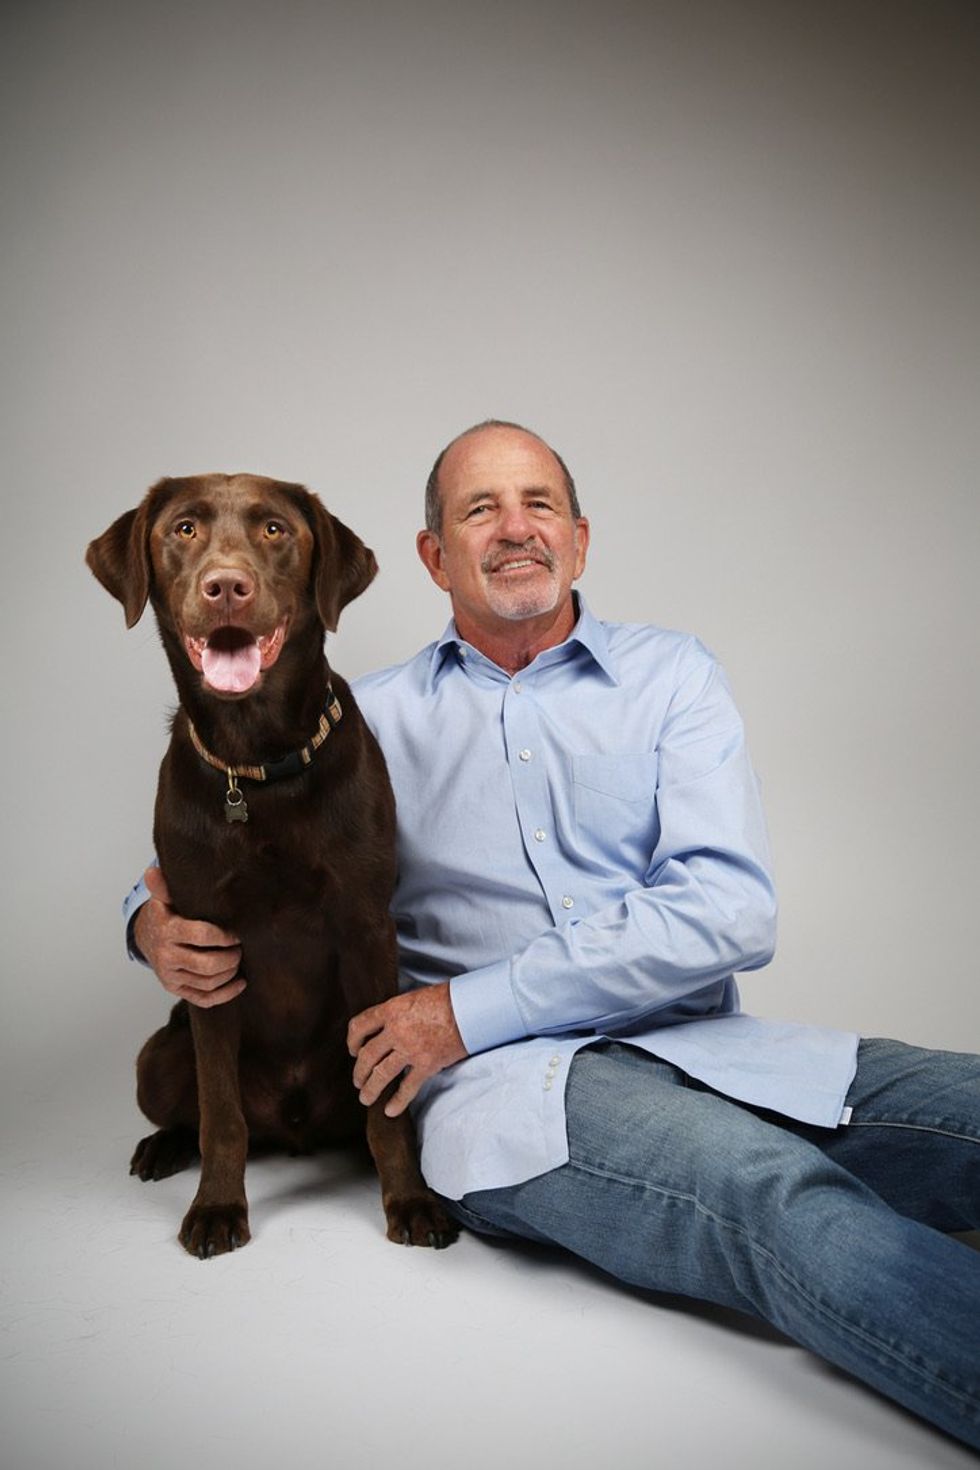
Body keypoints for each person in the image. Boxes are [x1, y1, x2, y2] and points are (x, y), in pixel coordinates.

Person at [127, 420, 980, 1450]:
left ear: (578, 539)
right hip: (512, 1085)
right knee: (772, 1198)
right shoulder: (361, 722)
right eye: (477, 509)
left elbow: (730, 910)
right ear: (432, 556)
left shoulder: (672, 677)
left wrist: (459, 1005)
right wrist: (144, 926)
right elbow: (205, 828)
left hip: (701, 1046)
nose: (513, 528)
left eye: (537, 505)